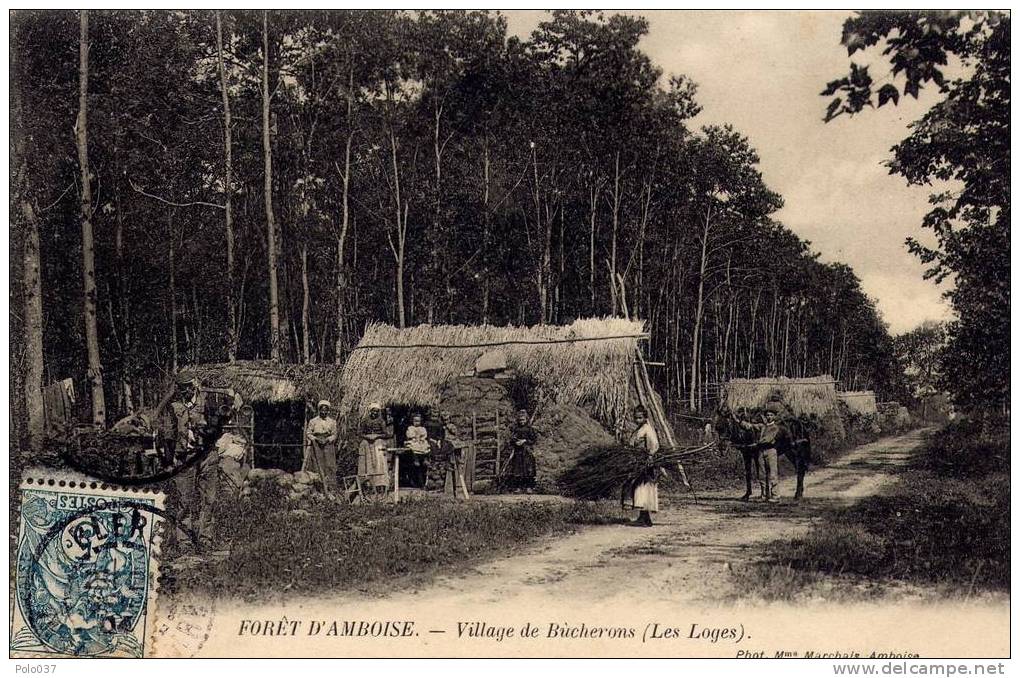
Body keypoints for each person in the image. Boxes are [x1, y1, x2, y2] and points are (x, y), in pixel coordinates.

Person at [163, 371, 219, 548]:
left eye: (188, 386)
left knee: (209, 498)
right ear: (177, 389)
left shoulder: (207, 401)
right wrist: (168, 460)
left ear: (194, 384)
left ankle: (205, 538)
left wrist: (205, 430)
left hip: (207, 455)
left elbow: (217, 426)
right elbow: (169, 435)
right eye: (182, 387)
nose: (186, 390)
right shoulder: (173, 406)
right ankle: (184, 541)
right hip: (184, 457)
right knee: (184, 500)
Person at [626, 405, 660, 526]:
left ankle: (645, 518)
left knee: (644, 489)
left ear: (645, 417)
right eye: (636, 418)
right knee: (639, 488)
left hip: (645, 463)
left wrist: (649, 457)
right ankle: (644, 517)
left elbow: (655, 445)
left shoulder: (647, 429)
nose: (637, 420)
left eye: (640, 417)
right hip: (638, 462)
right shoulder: (638, 429)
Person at [304, 400, 338, 493]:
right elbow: (308, 433)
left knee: (329, 464)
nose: (323, 412)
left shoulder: (332, 422)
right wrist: (315, 439)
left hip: (328, 444)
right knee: (317, 464)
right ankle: (318, 487)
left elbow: (334, 434)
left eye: (325, 410)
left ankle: (330, 487)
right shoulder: (313, 421)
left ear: (328, 411)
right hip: (316, 444)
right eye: (322, 410)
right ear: (319, 410)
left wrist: (327, 439)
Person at [358, 403, 390, 493]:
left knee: (379, 462)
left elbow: (386, 434)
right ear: (370, 411)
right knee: (367, 463)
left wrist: (376, 436)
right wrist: (367, 437)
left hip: (377, 441)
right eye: (373, 411)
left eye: (376, 411)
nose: (374, 413)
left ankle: (380, 483)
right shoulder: (365, 421)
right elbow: (360, 433)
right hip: (366, 442)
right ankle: (367, 483)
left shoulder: (381, 421)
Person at [503, 409, 537, 492]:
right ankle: (518, 487)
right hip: (518, 452)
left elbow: (533, 440)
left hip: (527, 452)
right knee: (518, 470)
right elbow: (511, 439)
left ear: (526, 419)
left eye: (523, 420)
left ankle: (529, 487)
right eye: (520, 420)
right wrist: (516, 442)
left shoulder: (530, 429)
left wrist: (525, 441)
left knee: (528, 470)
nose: (522, 421)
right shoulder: (516, 429)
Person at [404, 412, 430, 488]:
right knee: (413, 446)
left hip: (420, 441)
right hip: (414, 441)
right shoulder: (410, 428)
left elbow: (424, 435)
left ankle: (425, 458)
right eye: (415, 421)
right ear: (412, 421)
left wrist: (421, 438)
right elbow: (409, 435)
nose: (416, 423)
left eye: (418, 421)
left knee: (425, 445)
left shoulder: (422, 428)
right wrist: (414, 437)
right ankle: (416, 459)